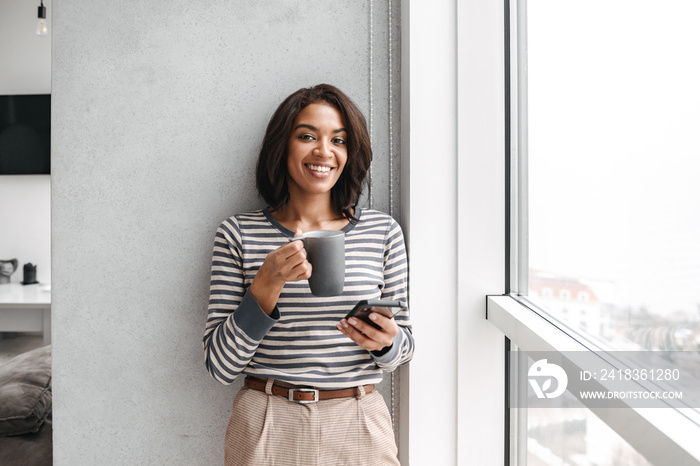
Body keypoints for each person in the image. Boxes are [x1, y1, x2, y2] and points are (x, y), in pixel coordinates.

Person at [202, 84, 414, 465]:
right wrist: (267, 283)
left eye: (339, 140)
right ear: (282, 146)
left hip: (358, 418)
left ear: (350, 154)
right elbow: (220, 366)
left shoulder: (382, 232)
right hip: (266, 419)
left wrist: (385, 341)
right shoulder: (238, 234)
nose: (323, 151)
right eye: (307, 136)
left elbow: (405, 350)